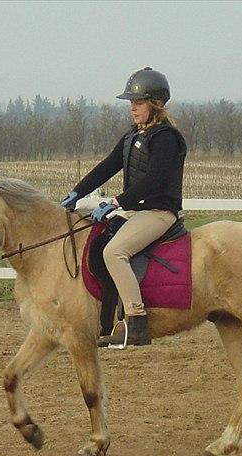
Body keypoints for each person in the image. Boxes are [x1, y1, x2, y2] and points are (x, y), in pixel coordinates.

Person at [60, 67, 187, 346]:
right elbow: (108, 166)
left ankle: (137, 321)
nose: (133, 108)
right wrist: (78, 191)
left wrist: (116, 202)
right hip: (135, 211)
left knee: (115, 252)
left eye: (138, 102)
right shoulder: (133, 136)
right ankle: (105, 319)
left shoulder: (166, 138)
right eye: (131, 102)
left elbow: (154, 180)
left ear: (156, 104)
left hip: (158, 213)